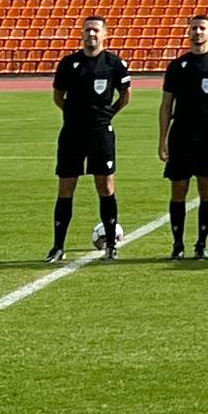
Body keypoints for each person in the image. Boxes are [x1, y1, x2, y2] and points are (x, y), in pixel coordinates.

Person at [45, 15, 131, 262]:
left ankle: (111, 247)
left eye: (95, 31)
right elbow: (58, 96)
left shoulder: (114, 64)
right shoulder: (69, 63)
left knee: (105, 186)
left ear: (105, 35)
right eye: (87, 30)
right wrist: (74, 116)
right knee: (66, 187)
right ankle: (58, 246)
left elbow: (125, 96)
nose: (91, 35)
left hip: (101, 133)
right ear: (81, 34)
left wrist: (106, 115)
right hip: (72, 133)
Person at [159, 15, 208, 259]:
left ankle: (201, 244)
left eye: (202, 28)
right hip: (180, 134)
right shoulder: (176, 66)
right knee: (178, 190)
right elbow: (166, 105)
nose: (197, 32)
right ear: (188, 32)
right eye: (194, 28)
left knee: (206, 190)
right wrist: (162, 139)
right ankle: (178, 244)